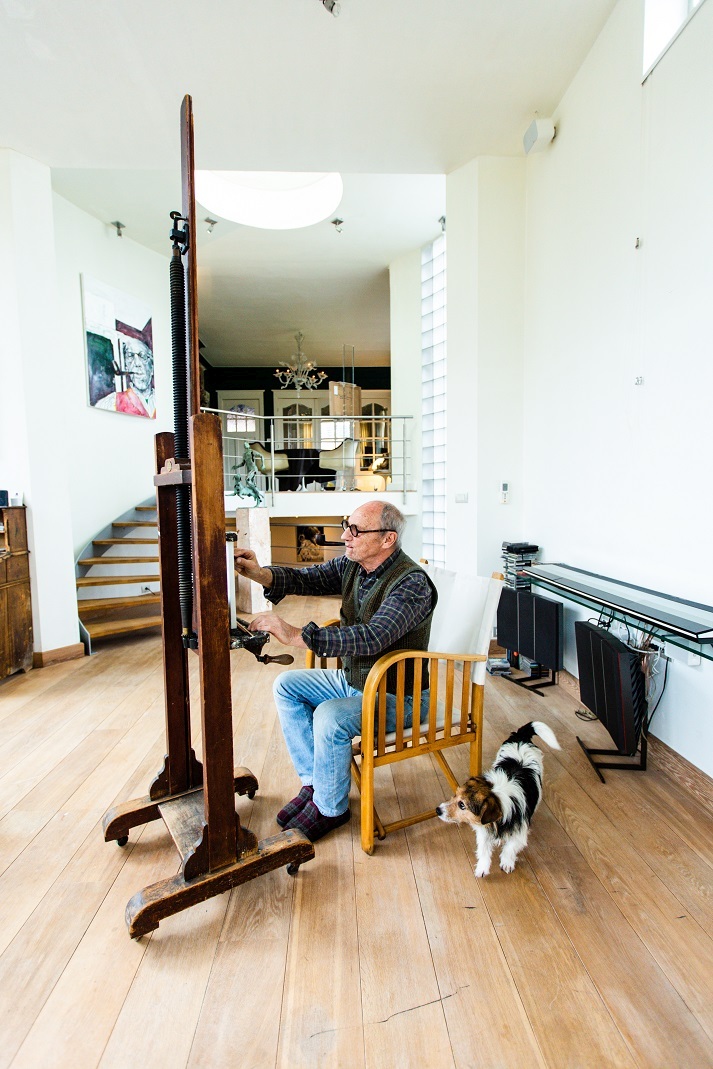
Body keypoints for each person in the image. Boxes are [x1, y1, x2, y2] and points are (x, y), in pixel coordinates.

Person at [235, 501, 437, 843]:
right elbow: (307, 578)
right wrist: (259, 573)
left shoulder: (411, 583)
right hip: (355, 681)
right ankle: (316, 784)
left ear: (387, 539)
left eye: (356, 530)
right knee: (287, 686)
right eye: (347, 525)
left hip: (400, 696)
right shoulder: (352, 564)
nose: (345, 535)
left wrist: (296, 635)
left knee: (329, 716)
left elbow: (373, 636)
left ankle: (331, 808)